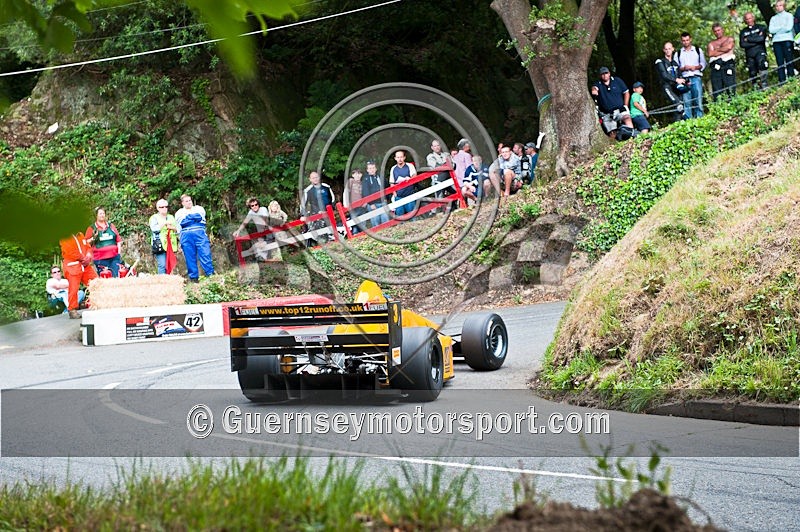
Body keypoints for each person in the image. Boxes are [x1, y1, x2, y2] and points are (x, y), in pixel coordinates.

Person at [175, 194, 215, 281]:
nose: (189, 202)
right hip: (186, 236)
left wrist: (188, 217)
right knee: (190, 257)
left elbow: (199, 217)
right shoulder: (179, 212)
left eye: (190, 200)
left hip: (200, 233)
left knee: (205, 253)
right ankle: (194, 278)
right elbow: (183, 222)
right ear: (182, 203)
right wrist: (193, 217)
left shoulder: (199, 208)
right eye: (186, 201)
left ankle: (210, 274)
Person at [59, 232, 97, 319]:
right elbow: (69, 251)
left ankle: (99, 303)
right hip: (72, 266)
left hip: (85, 265)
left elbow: (88, 247)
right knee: (73, 289)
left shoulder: (80, 234)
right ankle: (72, 310)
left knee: (96, 282)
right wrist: (84, 258)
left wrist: (89, 255)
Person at [590, 66, 634, 140]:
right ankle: (614, 147)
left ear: (609, 73)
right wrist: (594, 90)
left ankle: (632, 137)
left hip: (620, 109)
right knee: (612, 132)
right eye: (602, 74)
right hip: (607, 113)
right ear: (600, 75)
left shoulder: (617, 81)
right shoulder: (598, 83)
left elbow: (626, 92)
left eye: (606, 73)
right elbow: (594, 88)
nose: (605, 75)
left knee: (627, 118)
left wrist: (625, 105)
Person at [85, 207, 123, 278]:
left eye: (103, 213)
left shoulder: (111, 226)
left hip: (114, 257)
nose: (102, 215)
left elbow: (118, 240)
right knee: (106, 279)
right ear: (96, 215)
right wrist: (93, 238)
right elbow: (85, 243)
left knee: (116, 277)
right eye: (100, 213)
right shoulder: (91, 228)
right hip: (100, 259)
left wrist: (118, 253)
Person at [300, 171, 336, 244]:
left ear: (319, 177)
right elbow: (303, 204)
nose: (315, 179)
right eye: (313, 178)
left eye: (316, 177)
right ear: (310, 179)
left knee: (331, 232)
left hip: (328, 213)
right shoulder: (308, 190)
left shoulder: (326, 187)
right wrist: (303, 215)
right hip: (316, 215)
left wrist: (330, 209)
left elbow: (333, 199)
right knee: (320, 235)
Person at [655, 41, 687, 121]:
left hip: (676, 87)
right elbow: (664, 75)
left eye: (669, 49)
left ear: (673, 49)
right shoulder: (660, 61)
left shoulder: (675, 63)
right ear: (663, 50)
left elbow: (679, 74)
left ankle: (678, 125)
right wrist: (676, 79)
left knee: (680, 106)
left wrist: (684, 80)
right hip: (667, 86)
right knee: (678, 104)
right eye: (666, 49)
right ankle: (687, 118)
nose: (668, 51)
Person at [677, 32, 706, 119]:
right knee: (687, 101)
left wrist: (695, 67)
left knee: (698, 100)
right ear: (681, 41)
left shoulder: (697, 50)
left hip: (696, 77)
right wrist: (684, 68)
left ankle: (699, 119)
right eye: (683, 41)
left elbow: (703, 64)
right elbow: (676, 67)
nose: (686, 42)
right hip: (684, 79)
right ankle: (688, 120)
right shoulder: (678, 53)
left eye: (687, 40)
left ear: (690, 39)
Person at [740, 12, 769, 89]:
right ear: (745, 20)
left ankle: (765, 85)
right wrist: (756, 41)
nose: (749, 20)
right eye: (747, 19)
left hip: (760, 51)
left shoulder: (761, 27)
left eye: (750, 18)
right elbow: (742, 44)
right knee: (752, 72)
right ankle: (756, 88)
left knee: (762, 65)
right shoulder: (743, 31)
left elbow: (761, 39)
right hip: (750, 54)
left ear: (753, 18)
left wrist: (748, 39)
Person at [707, 22, 737, 100]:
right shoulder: (711, 43)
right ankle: (719, 108)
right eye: (715, 31)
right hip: (716, 67)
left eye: (719, 30)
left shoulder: (729, 39)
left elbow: (729, 47)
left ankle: (732, 105)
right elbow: (711, 53)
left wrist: (716, 50)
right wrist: (724, 49)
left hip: (728, 65)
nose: (717, 32)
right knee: (717, 90)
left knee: (730, 88)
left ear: (722, 30)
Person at [148, 199, 178, 274]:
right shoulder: (154, 218)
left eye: (166, 206)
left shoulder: (171, 217)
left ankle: (169, 281)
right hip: (159, 244)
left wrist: (172, 227)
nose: (164, 208)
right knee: (162, 265)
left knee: (170, 264)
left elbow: (178, 229)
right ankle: (162, 281)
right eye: (162, 207)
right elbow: (154, 229)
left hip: (171, 244)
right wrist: (164, 224)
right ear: (158, 208)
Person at [769, 0, 795, 84]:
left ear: (783, 6)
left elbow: (788, 28)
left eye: (780, 5)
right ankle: (782, 81)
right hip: (776, 41)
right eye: (776, 6)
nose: (778, 7)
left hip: (787, 40)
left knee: (789, 60)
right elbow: (771, 30)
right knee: (779, 62)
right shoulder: (773, 18)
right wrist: (781, 28)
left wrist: (778, 29)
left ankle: (791, 78)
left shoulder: (789, 16)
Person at [388, 150, 417, 217]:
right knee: (400, 217)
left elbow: (414, 176)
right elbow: (392, 183)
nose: (400, 159)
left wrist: (409, 179)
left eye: (401, 157)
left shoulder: (410, 166)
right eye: (398, 157)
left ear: (404, 157)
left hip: (409, 195)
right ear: (395, 158)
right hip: (399, 196)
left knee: (412, 215)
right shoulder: (393, 169)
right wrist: (395, 194)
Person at [362, 161, 388, 227]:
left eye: (373, 168)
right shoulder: (366, 179)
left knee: (385, 220)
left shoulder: (380, 177)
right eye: (370, 168)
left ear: (376, 169)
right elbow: (365, 193)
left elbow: (386, 187)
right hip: (373, 204)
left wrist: (386, 198)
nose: (372, 170)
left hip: (382, 202)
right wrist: (371, 204)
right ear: (367, 170)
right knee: (376, 222)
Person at [344, 168, 366, 234]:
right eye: (356, 174)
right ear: (353, 175)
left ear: (361, 175)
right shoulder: (351, 181)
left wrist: (365, 202)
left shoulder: (363, 183)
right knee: (354, 221)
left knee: (362, 221)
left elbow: (365, 194)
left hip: (361, 206)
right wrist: (346, 204)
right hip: (353, 206)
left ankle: (363, 234)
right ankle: (354, 234)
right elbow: (346, 193)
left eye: (359, 174)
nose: (357, 176)